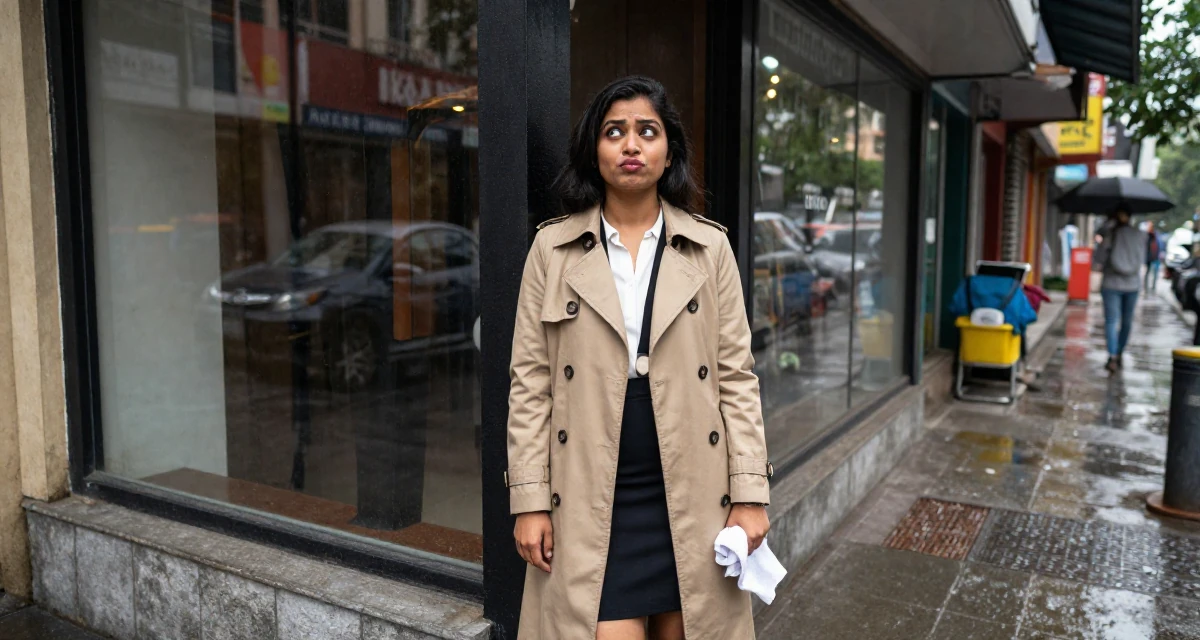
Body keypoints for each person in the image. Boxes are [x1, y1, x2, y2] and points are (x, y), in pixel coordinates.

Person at [506, 76, 771, 640]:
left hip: (691, 487)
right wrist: (529, 500)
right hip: (588, 488)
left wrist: (750, 495)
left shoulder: (709, 247)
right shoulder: (550, 251)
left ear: (667, 150)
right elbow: (530, 384)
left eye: (647, 131)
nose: (631, 145)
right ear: (593, 150)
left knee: (689, 628)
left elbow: (736, 378)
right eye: (614, 132)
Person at [1094, 206, 1146, 373]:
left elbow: (1099, 259)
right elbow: (1142, 258)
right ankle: (1120, 351)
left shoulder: (1110, 234)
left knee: (1111, 321)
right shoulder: (1139, 235)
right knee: (1127, 321)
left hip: (1111, 283)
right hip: (1132, 284)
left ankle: (1113, 355)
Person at [1144, 221, 1162, 292]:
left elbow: (1159, 245)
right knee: (1148, 273)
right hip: (1149, 257)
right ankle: (1146, 289)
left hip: (1155, 257)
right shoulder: (1147, 235)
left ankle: (1153, 288)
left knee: (1155, 273)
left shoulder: (1156, 235)